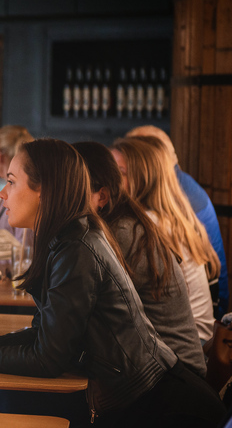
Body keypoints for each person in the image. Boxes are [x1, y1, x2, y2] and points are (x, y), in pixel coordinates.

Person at [0, 139, 225, 428]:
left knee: (7, 402)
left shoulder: (78, 247)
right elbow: (48, 337)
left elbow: (48, 358)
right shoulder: (70, 237)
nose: (2, 194)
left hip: (162, 409)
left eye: (11, 181)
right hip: (136, 395)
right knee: (6, 400)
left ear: (44, 191)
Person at [73, 141, 206, 378]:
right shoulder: (119, 224)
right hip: (156, 369)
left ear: (102, 195)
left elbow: (77, 324)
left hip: (175, 380)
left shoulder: (121, 233)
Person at [111, 136, 219, 343]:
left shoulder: (147, 226)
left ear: (143, 179)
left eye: (120, 173)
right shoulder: (171, 218)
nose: (110, 180)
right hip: (198, 341)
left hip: (186, 348)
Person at [126, 125, 228, 318]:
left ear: (146, 160)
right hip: (210, 311)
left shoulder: (173, 200)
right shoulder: (182, 185)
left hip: (208, 317)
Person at [0, 125, 34, 244]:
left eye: (12, 182)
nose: (1, 194)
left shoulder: (21, 198)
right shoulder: (12, 192)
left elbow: (25, 251)